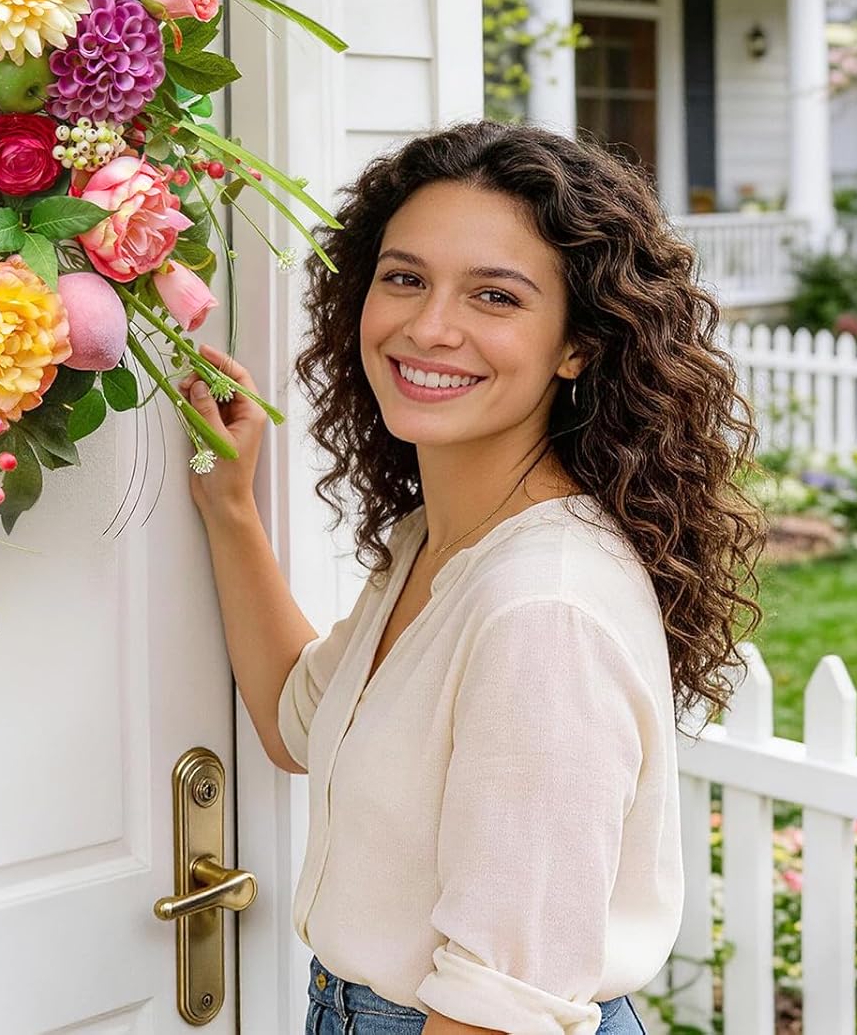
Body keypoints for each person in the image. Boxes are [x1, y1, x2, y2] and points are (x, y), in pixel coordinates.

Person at [178, 120, 763, 1035]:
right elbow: (300, 720)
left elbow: (498, 1008)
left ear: (579, 344)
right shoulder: (441, 544)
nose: (429, 326)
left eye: (495, 296)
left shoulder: (542, 610)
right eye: (404, 278)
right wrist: (230, 508)